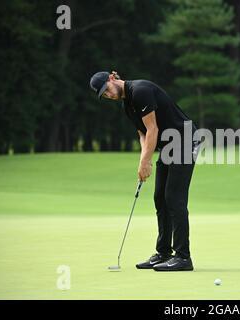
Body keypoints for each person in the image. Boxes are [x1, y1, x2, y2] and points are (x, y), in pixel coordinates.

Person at [89, 71, 199, 271]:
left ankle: (183, 257)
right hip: (169, 146)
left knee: (174, 198)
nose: (109, 95)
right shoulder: (127, 105)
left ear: (112, 79)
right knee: (160, 198)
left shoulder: (140, 91)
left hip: (185, 140)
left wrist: (146, 162)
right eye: (104, 95)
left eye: (107, 90)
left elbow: (153, 129)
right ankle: (163, 253)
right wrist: (142, 161)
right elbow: (142, 133)